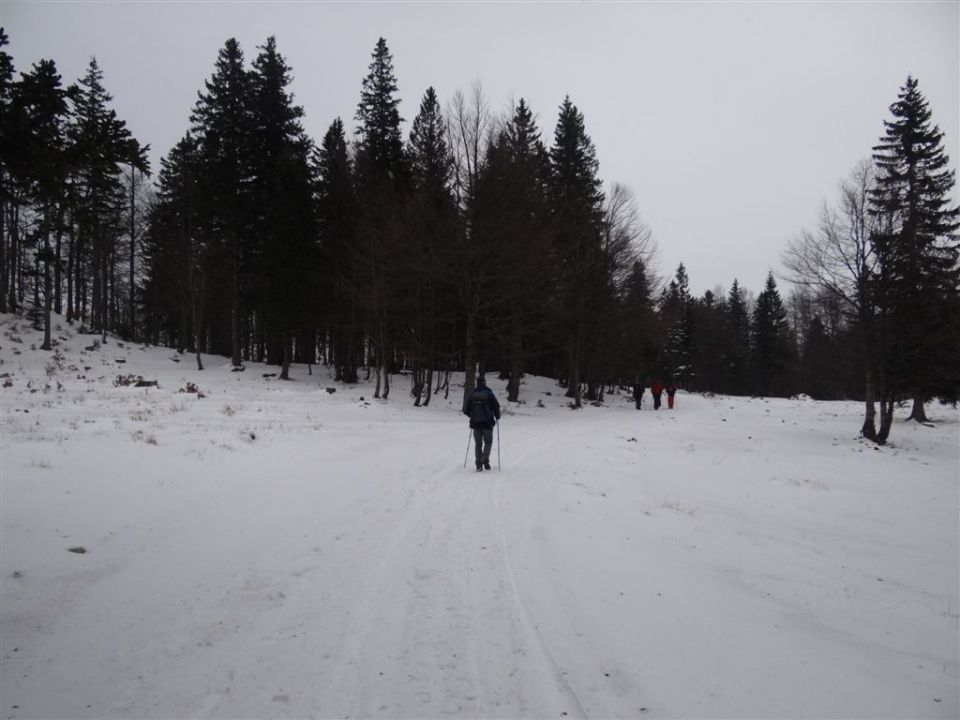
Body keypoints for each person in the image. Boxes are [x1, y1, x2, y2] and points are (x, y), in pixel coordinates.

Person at [464, 375, 501, 471]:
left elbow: (465, 409)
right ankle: (484, 459)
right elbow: (496, 406)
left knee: (478, 445)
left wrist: (471, 415)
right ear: (485, 382)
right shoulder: (489, 393)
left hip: (475, 423)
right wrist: (497, 416)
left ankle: (479, 465)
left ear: (477, 383)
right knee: (488, 442)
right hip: (488, 423)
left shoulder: (472, 394)